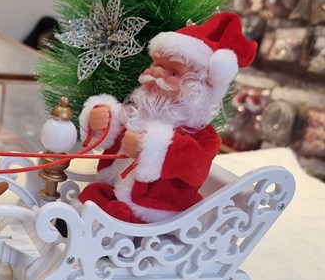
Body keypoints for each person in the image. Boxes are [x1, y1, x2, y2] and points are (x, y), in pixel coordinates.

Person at [76, 12, 257, 224]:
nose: (155, 74)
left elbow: (195, 167)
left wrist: (148, 148)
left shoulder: (203, 136)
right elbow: (120, 128)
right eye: (156, 65)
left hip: (156, 210)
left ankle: (82, 232)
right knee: (91, 197)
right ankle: (69, 227)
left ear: (200, 88)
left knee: (114, 216)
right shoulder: (142, 113)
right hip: (115, 188)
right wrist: (103, 120)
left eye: (173, 73)